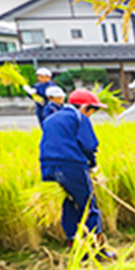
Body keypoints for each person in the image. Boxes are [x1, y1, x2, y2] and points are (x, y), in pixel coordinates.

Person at [39, 87, 108, 255]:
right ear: (85, 107)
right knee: (88, 206)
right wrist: (92, 165)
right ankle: (98, 249)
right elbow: (88, 145)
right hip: (71, 165)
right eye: (93, 110)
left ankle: (76, 248)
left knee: (69, 204)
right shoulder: (79, 118)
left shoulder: (50, 119)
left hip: (48, 166)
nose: (91, 114)